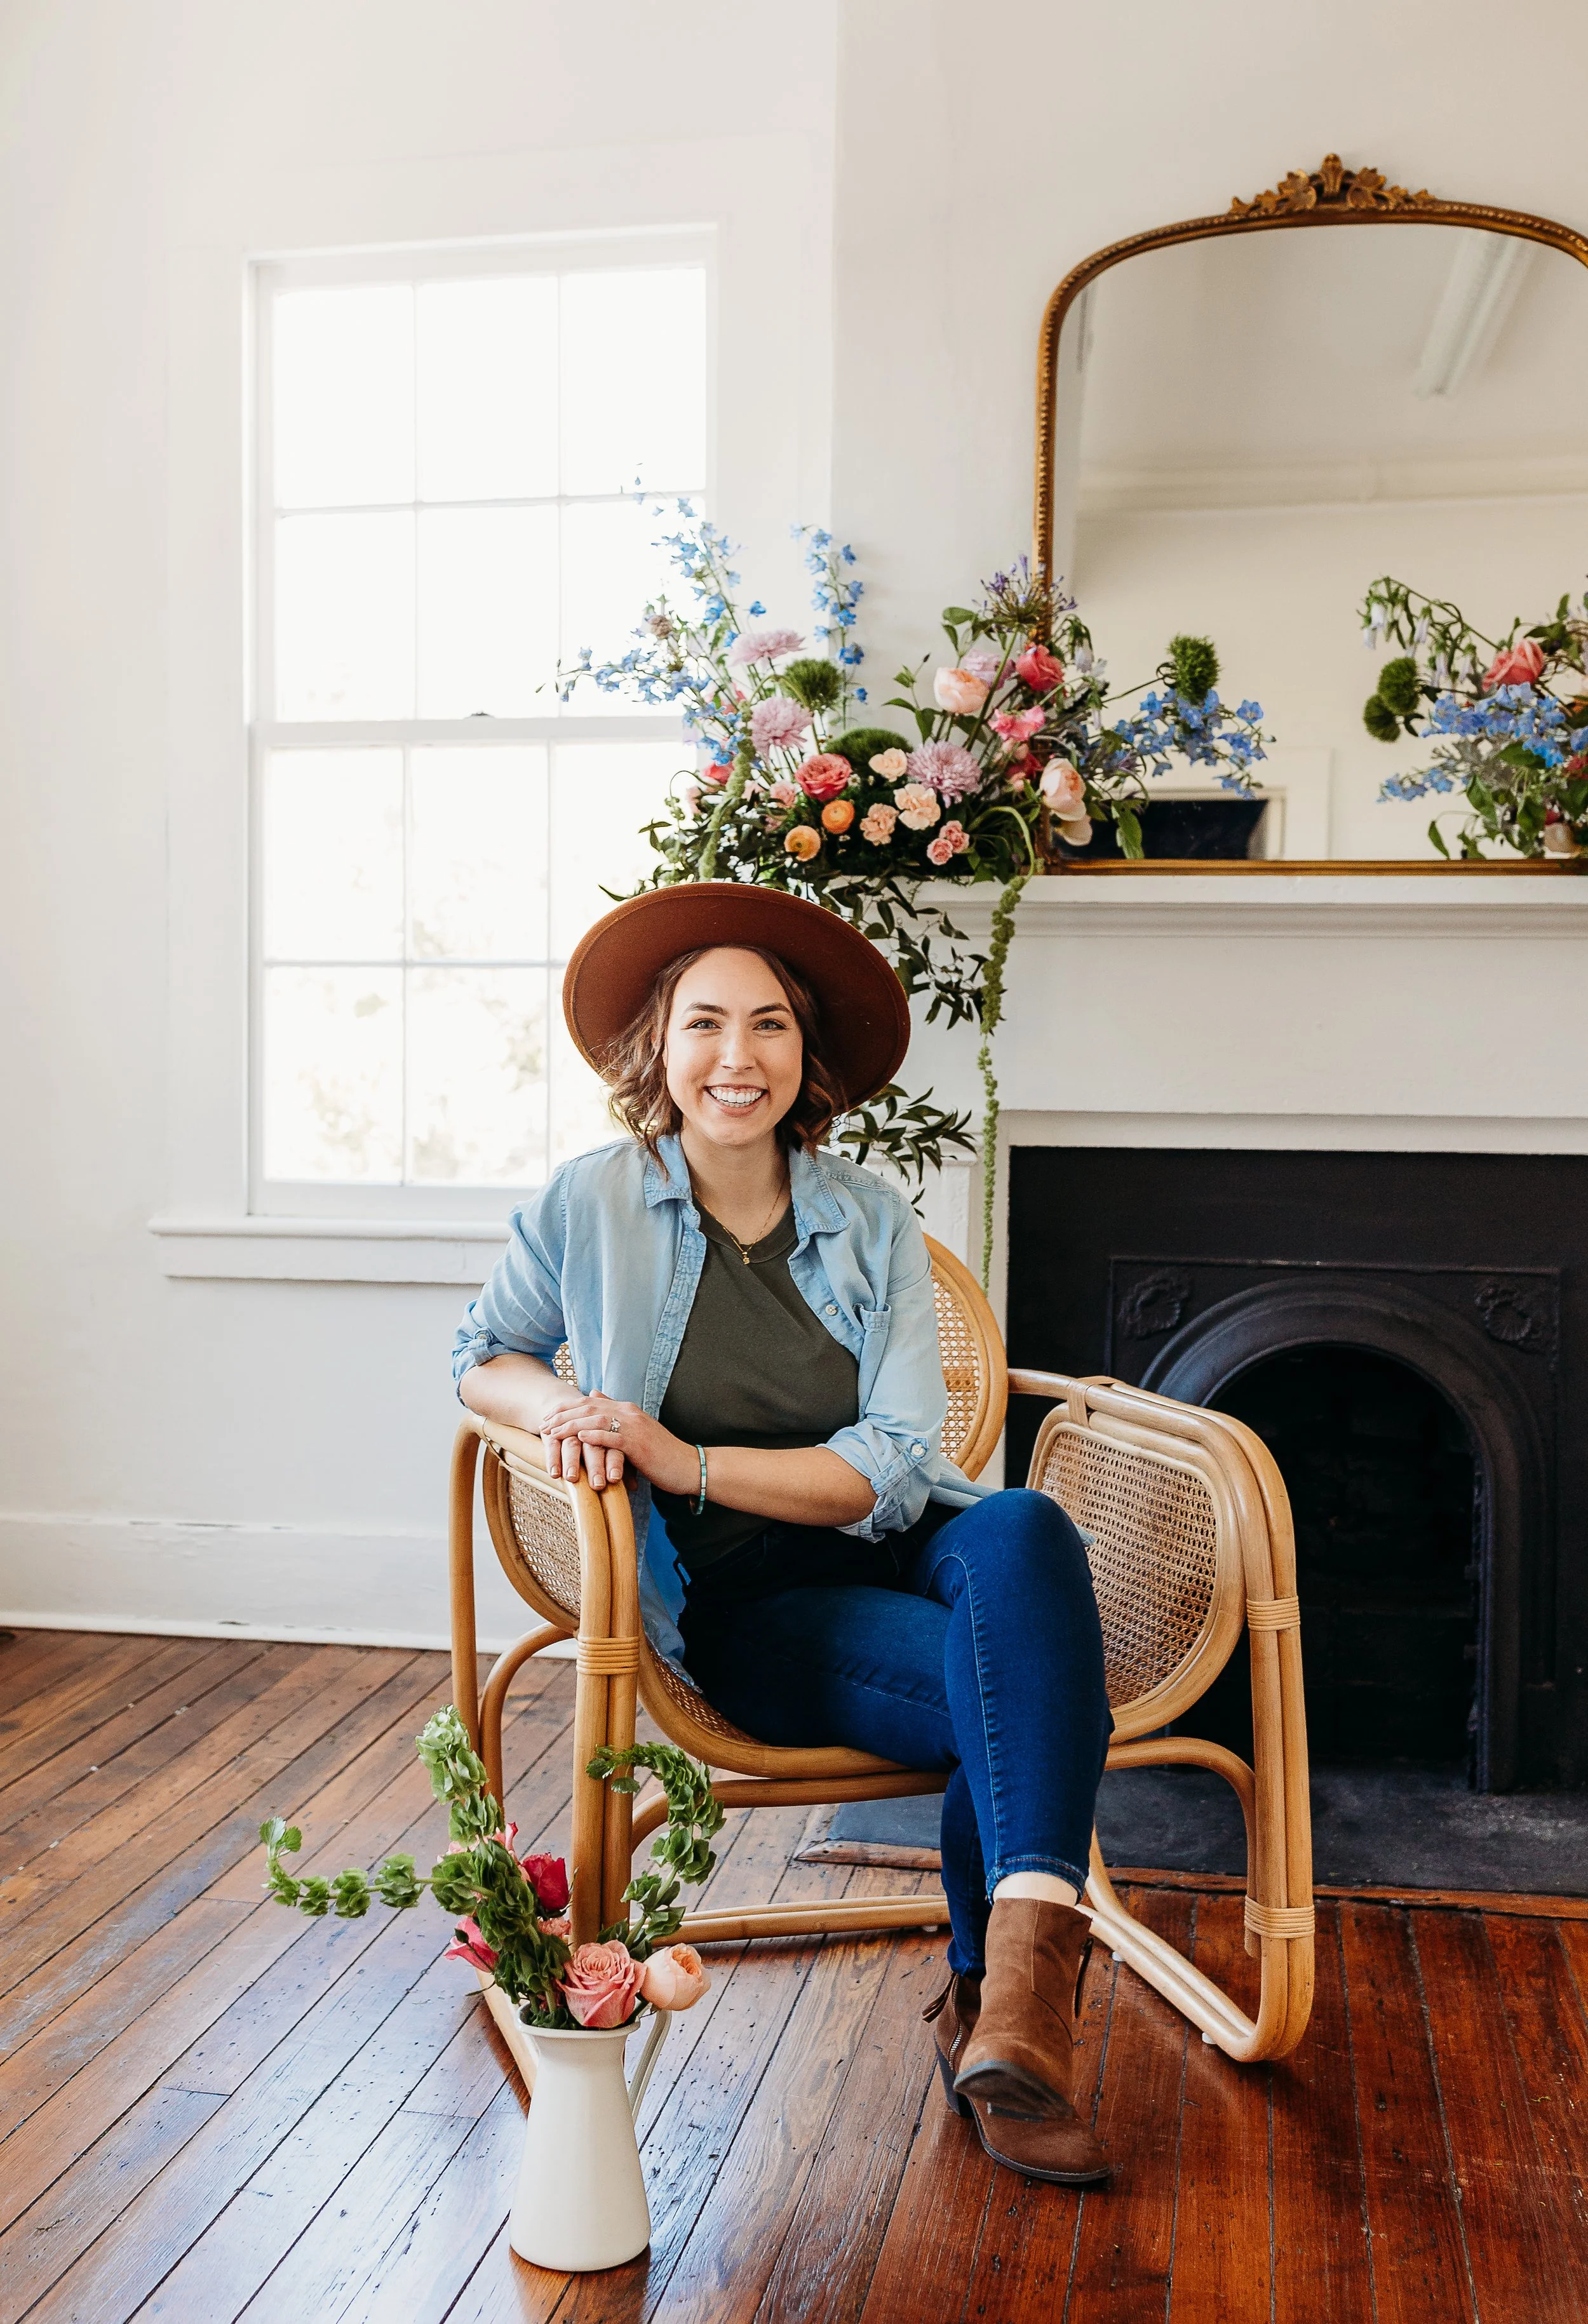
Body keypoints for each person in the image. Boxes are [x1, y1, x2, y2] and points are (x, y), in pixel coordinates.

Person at [453, 882, 1115, 2185]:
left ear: (803, 1056)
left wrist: (680, 1452)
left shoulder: (867, 1217)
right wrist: (571, 1407)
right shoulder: (588, 1203)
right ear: (659, 1046)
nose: (735, 1057)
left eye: (767, 1025)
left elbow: (892, 1466)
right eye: (704, 1023)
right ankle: (1003, 2006)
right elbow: (485, 1357)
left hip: (891, 1539)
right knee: (1026, 1694)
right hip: (747, 1605)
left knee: (1024, 1522)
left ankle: (1011, 1985)